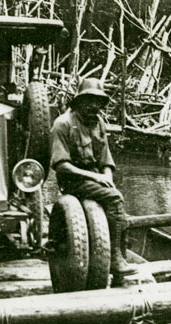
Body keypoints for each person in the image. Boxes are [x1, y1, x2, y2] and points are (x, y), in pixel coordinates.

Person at [50, 78, 137, 282]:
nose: (94, 106)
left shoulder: (99, 124)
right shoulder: (63, 124)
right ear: (79, 101)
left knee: (116, 198)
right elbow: (61, 165)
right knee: (115, 199)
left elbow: (106, 160)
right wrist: (94, 176)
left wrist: (107, 177)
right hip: (73, 180)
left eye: (98, 102)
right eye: (89, 100)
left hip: (94, 178)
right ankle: (116, 259)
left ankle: (118, 258)